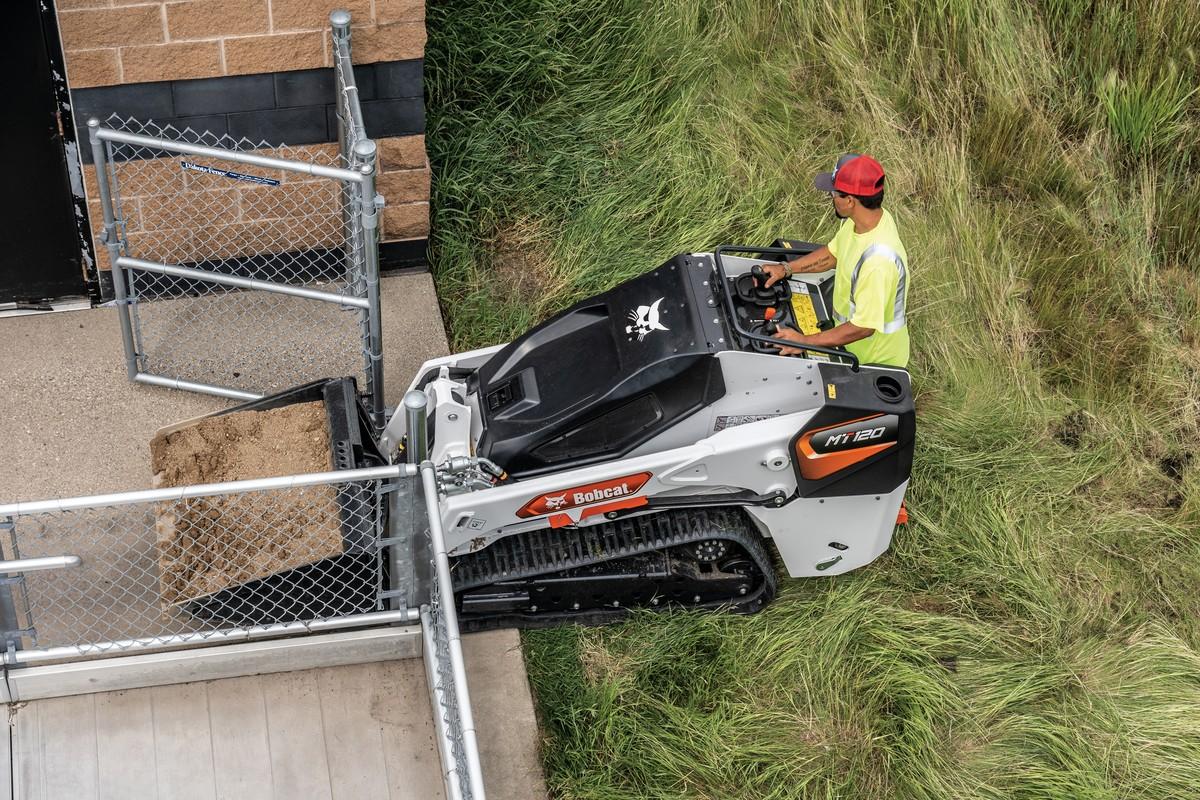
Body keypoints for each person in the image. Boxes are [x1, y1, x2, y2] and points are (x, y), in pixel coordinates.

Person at [761, 154, 909, 369]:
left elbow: (863, 328)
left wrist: (803, 342)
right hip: (848, 344)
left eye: (833, 193)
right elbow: (832, 255)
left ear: (849, 200)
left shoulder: (878, 263)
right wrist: (785, 269)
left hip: (872, 362)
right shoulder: (866, 221)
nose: (831, 198)